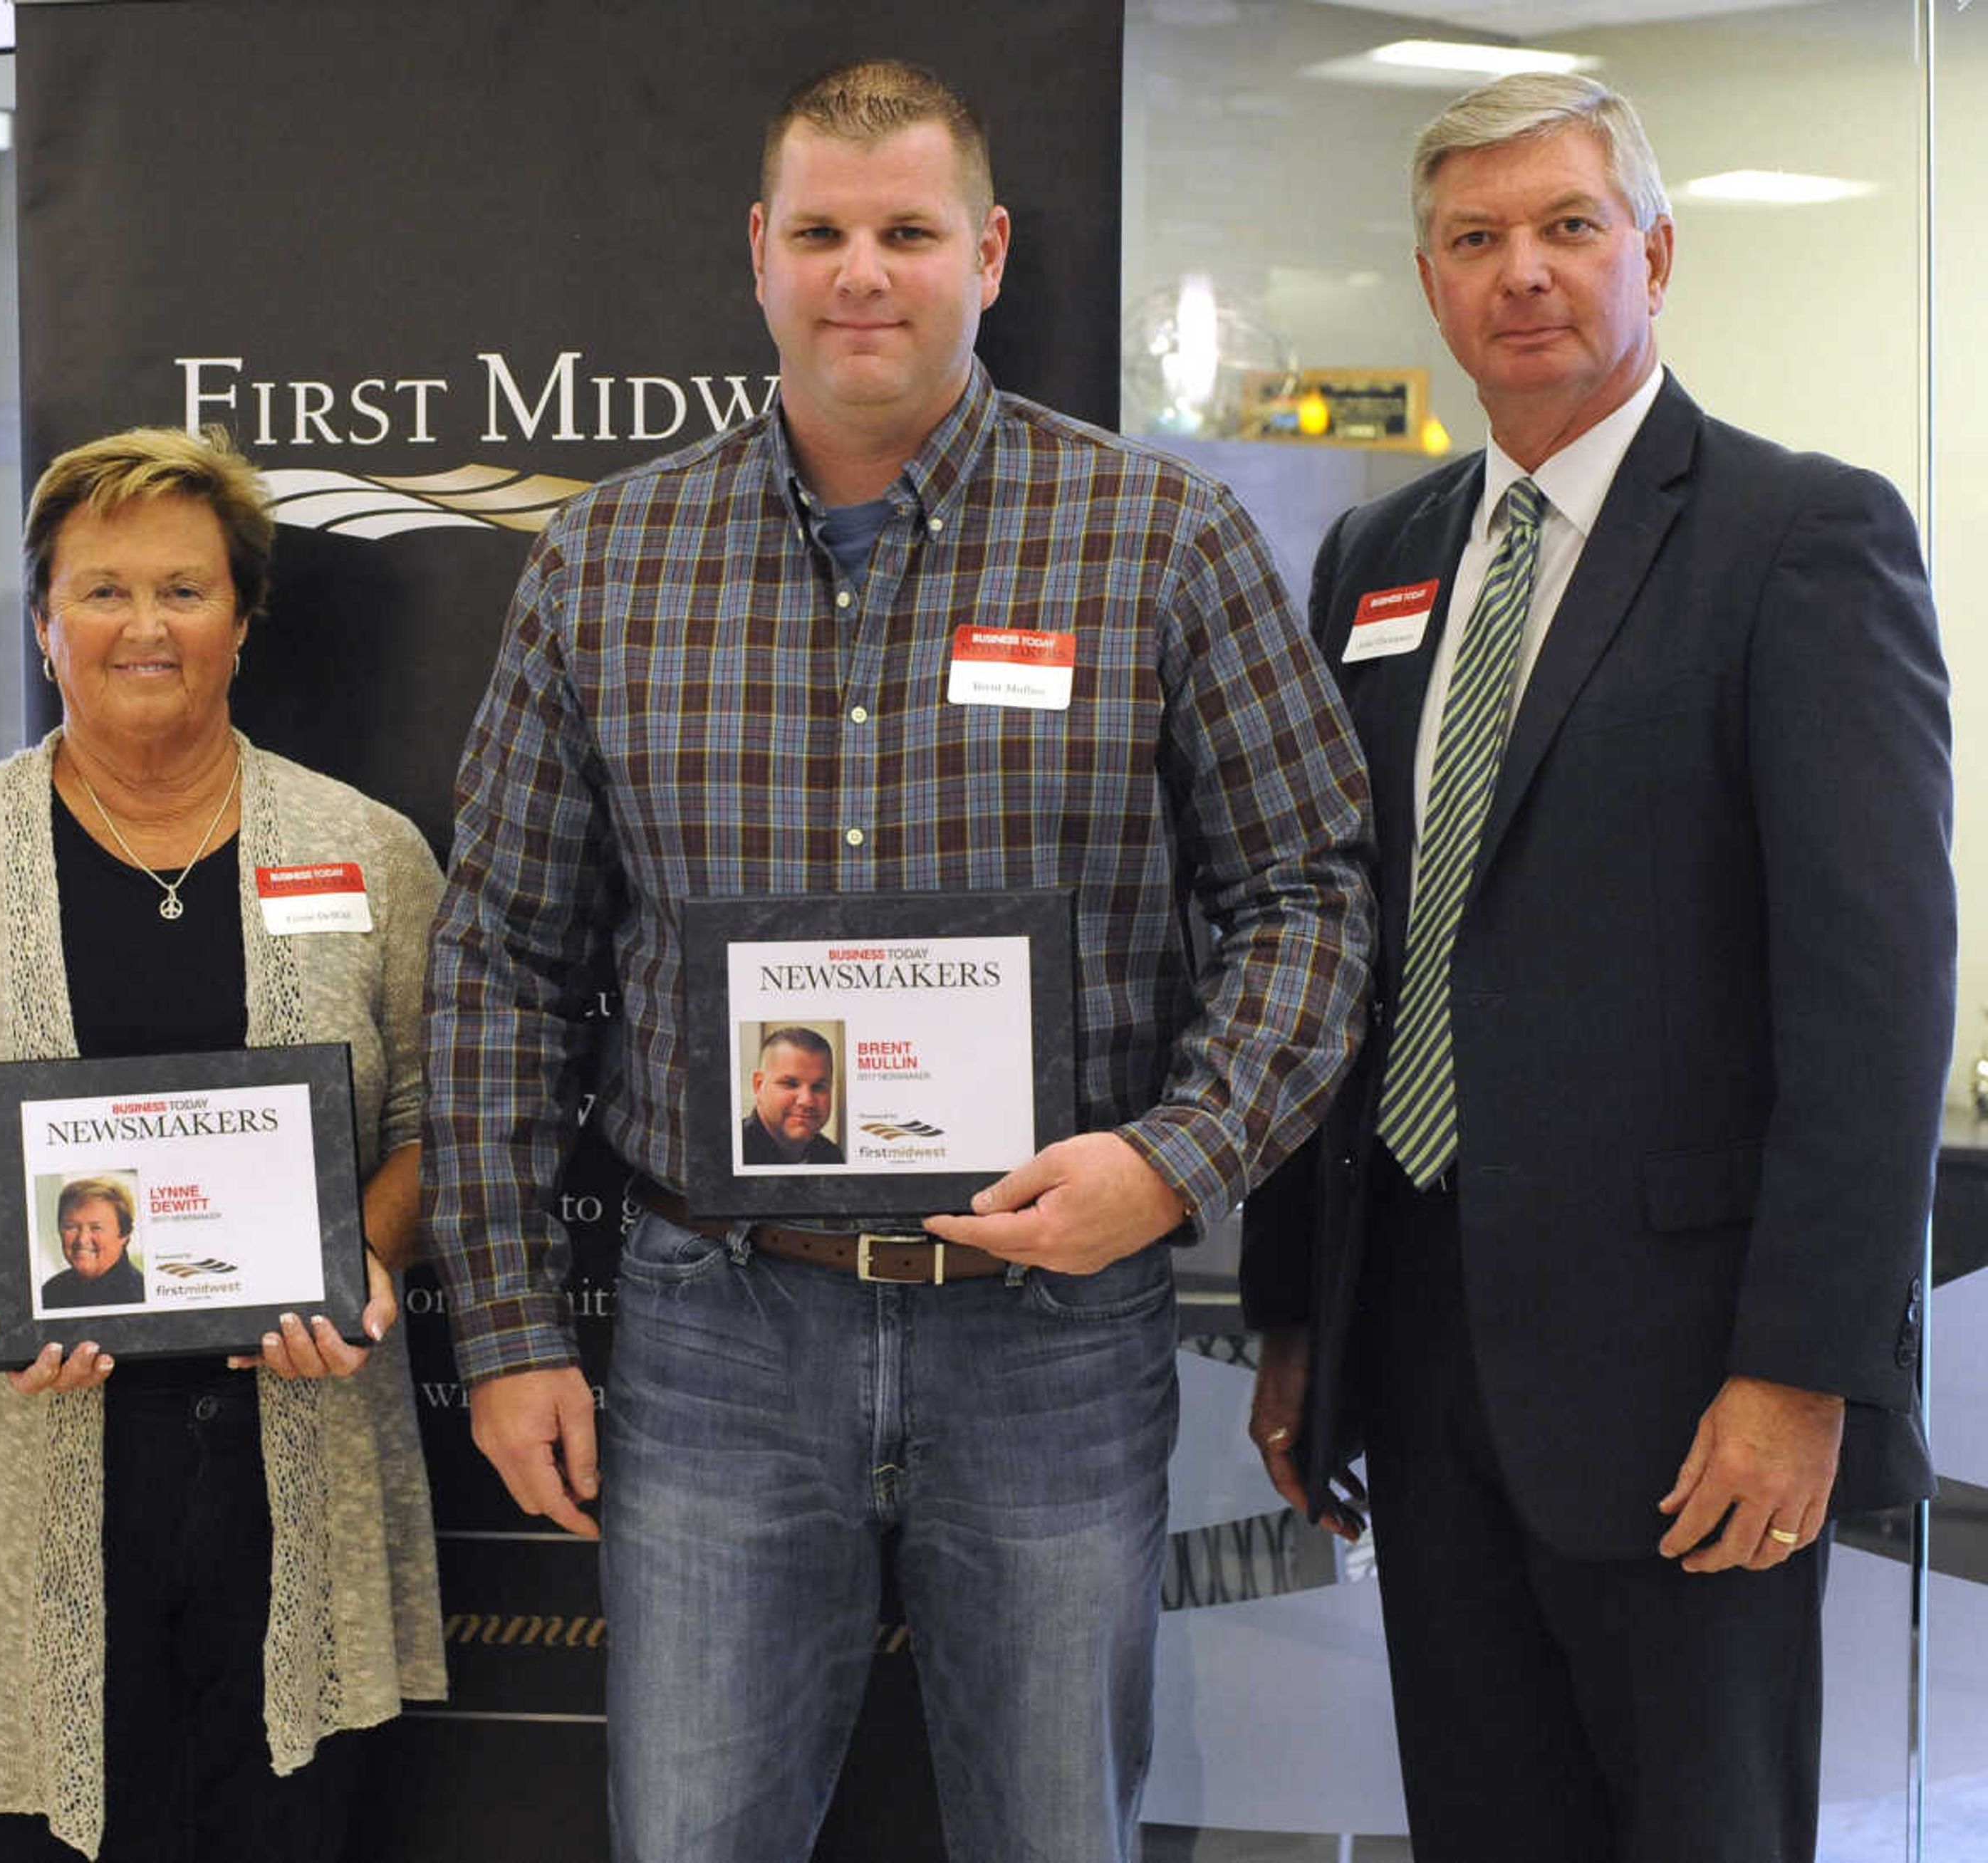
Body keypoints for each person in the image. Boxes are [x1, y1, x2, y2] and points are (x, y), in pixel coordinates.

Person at [424, 58, 1372, 1863]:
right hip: (715, 1328)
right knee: (692, 1832)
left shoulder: (1156, 537)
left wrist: (1168, 1162)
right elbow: (498, 958)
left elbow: (1310, 891)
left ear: (989, 252)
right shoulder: (607, 559)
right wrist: (512, 1325)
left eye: (908, 232)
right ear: (759, 255)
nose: (864, 272)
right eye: (824, 233)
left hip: (1050, 1331)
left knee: (1049, 1829)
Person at [1241, 73, 1951, 1863]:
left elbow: (1873, 994)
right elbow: (1336, 940)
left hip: (1686, 1376)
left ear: (1650, 253)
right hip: (1414, 1339)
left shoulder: (1799, 536)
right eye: (1475, 239)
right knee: (1479, 1818)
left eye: (1566, 227)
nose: (1524, 272)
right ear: (1428, 281)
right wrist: (1298, 1313)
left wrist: (1803, 1368)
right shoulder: (1375, 558)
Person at [0, 425, 444, 1862]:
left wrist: (370, 1261)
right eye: (101, 591)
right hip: (31, 1458)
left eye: (183, 589)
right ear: (44, 624)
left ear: (242, 619)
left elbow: (444, 1123)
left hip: (301, 1461)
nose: (143, 626)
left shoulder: (369, 849)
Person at [741, 1026, 843, 1164]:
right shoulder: (730, 1152)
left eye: (818, 1087)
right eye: (790, 1084)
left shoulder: (831, 1156)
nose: (807, 1101)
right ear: (759, 1086)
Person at [40, 1175, 145, 1309]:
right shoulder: (51, 1292)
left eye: (96, 1228)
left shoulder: (139, 1297)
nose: (82, 1240)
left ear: (125, 1234)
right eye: (71, 1227)